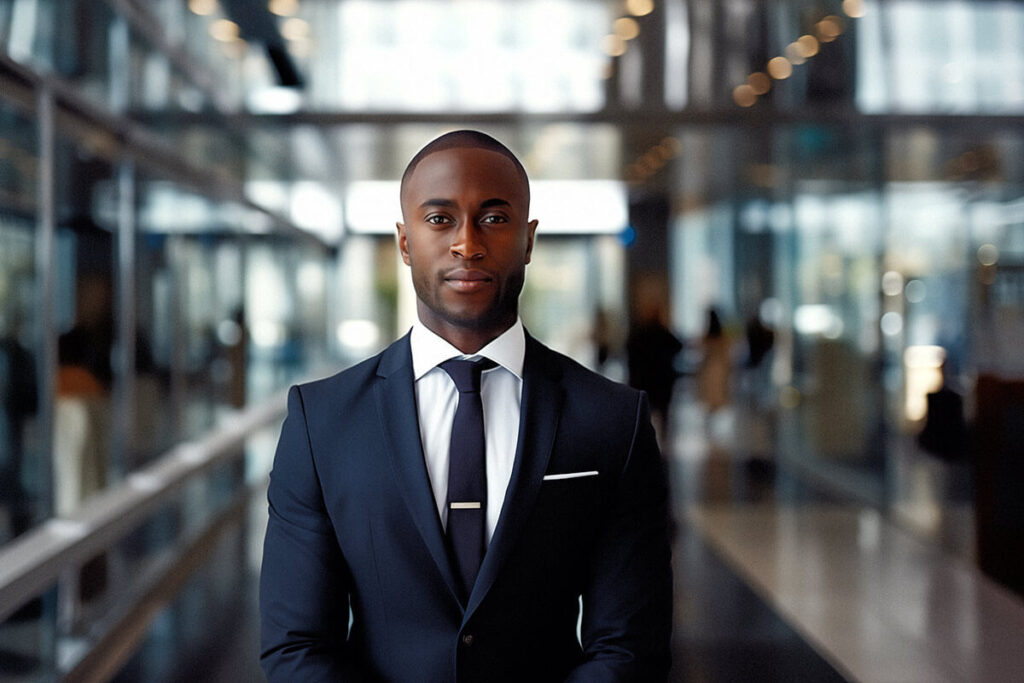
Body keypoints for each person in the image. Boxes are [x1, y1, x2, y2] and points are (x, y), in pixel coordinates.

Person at [259, 130, 672, 682]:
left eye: (494, 219)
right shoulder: (323, 421)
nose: (467, 244)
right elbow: (296, 646)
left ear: (528, 240)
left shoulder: (612, 421)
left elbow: (628, 648)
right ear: (405, 243)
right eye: (439, 219)